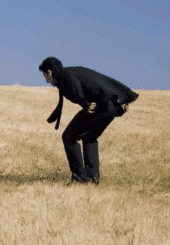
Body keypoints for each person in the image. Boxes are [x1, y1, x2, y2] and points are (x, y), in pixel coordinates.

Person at [39, 56, 138, 185]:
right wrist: (123, 97)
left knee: (68, 136)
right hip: (110, 106)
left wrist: (85, 104)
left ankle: (80, 178)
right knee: (89, 137)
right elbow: (101, 78)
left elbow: (75, 86)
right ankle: (93, 178)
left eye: (45, 76)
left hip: (101, 106)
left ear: (50, 72)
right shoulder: (71, 72)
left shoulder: (66, 76)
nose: (46, 80)